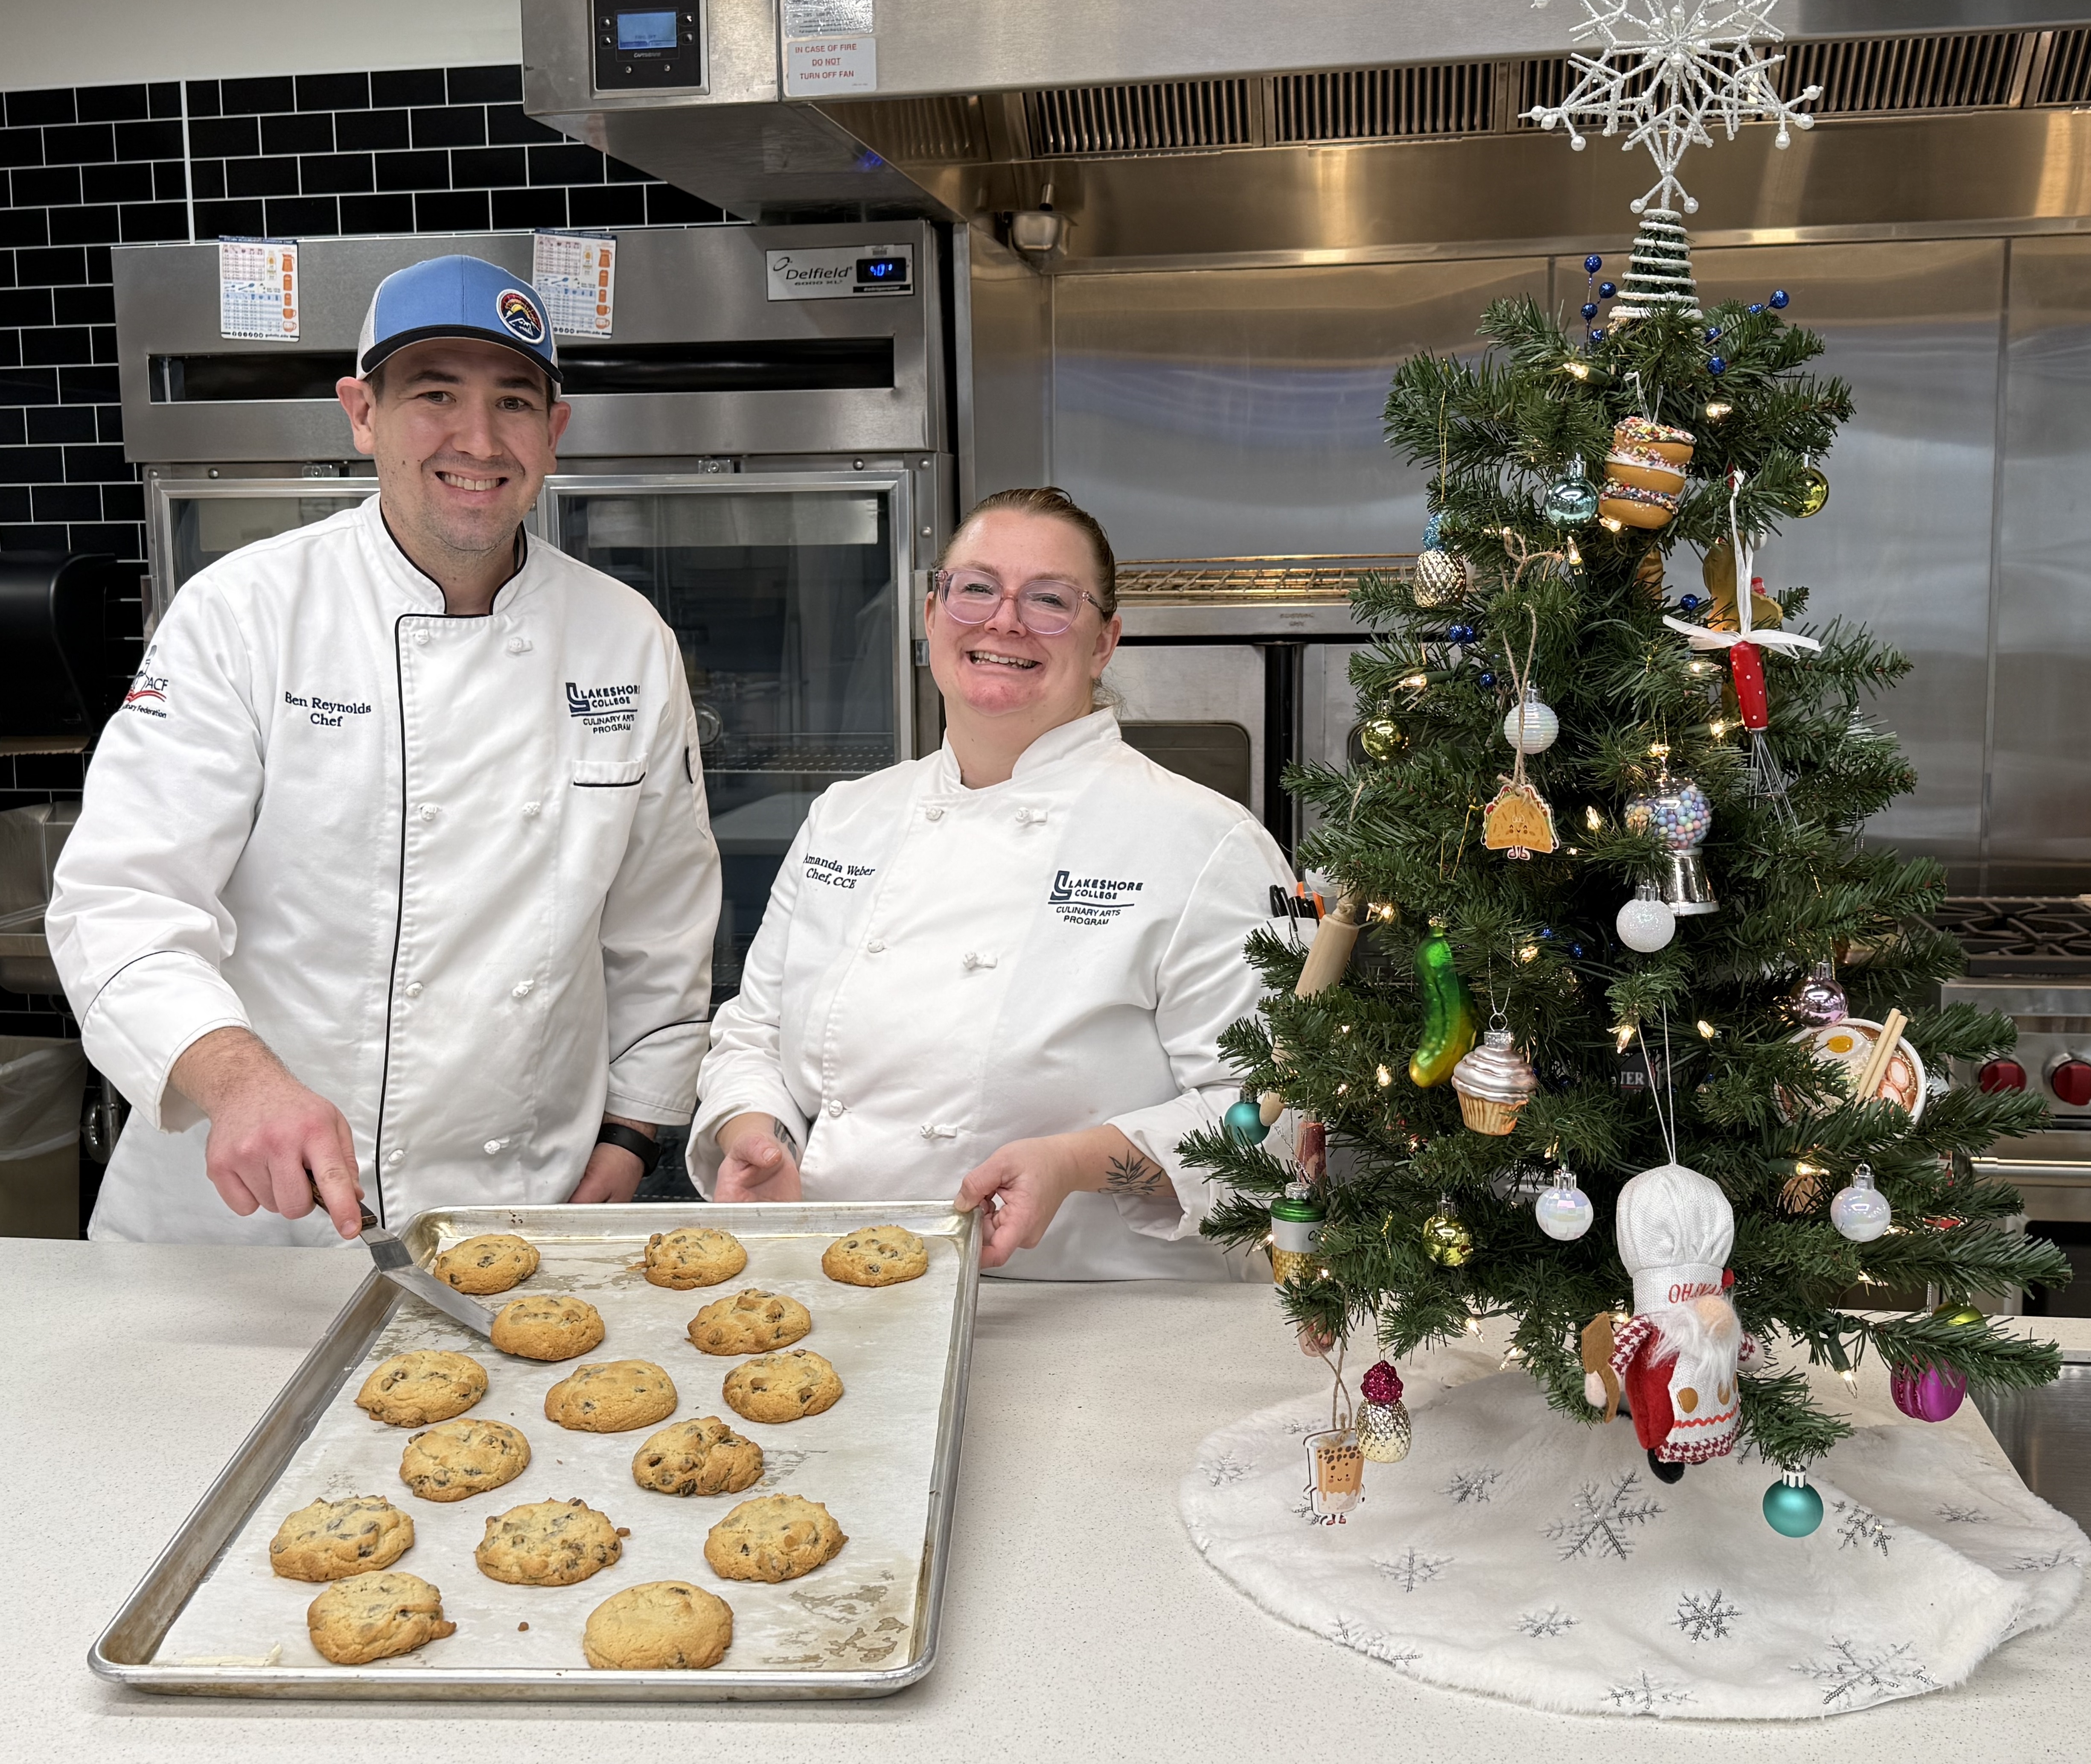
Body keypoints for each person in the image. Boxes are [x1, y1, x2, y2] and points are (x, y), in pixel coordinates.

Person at [48, 255, 720, 1244]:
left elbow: (660, 924)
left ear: (554, 431)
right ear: (362, 414)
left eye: (514, 402)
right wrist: (235, 1078)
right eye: (433, 395)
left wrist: (630, 1133)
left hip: (515, 1203)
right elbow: (121, 902)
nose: (478, 440)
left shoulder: (626, 639)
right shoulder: (244, 613)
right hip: (246, 1221)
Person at [693, 487, 1294, 1277]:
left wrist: (1076, 1163)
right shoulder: (847, 817)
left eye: (1050, 600)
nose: (1005, 621)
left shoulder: (1206, 843)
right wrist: (755, 1131)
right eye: (976, 588)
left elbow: (1274, 1117)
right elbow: (753, 1034)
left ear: (1105, 642)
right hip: (838, 1285)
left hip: (1084, 1309)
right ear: (932, 613)